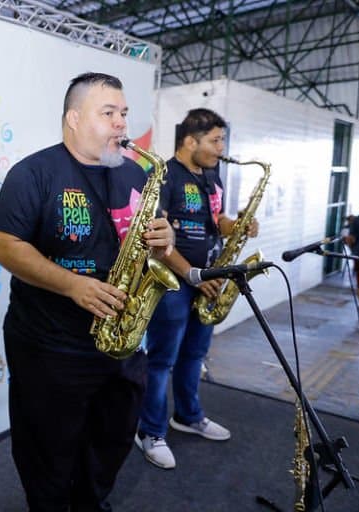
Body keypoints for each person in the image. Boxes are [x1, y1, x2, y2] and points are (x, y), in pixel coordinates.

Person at [0, 72, 174, 512]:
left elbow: (158, 245)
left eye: (124, 114)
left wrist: (166, 240)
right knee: (47, 457)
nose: (121, 125)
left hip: (122, 347)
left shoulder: (135, 173)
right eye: (107, 113)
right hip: (50, 347)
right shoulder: (33, 172)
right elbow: (3, 245)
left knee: (110, 445)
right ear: (73, 118)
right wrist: (72, 284)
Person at [135, 108, 259, 470]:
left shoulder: (212, 178)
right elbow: (153, 237)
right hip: (173, 283)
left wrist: (236, 226)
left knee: (194, 356)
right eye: (215, 140)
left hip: (206, 281)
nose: (222, 148)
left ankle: (188, 416)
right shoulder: (162, 176)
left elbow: (214, 220)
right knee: (160, 361)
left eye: (222, 140)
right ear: (191, 141)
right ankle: (151, 431)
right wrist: (192, 275)